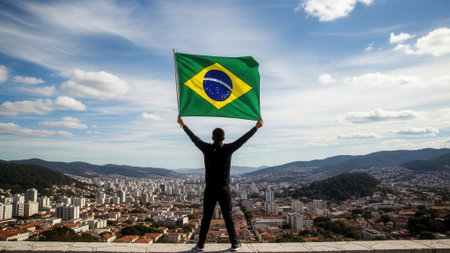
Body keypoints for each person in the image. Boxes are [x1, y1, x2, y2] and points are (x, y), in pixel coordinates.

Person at [177, 116, 263, 252]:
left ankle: (200, 244)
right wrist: (255, 128)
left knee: (206, 217)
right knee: (228, 216)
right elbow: (242, 140)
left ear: (212, 138)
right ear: (224, 138)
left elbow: (194, 138)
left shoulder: (206, 148)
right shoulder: (228, 149)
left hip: (210, 188)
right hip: (224, 189)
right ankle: (234, 243)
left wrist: (183, 125)